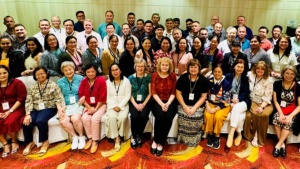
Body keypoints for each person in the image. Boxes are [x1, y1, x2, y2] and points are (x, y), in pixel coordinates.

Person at [23, 66, 65, 156]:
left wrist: (60, 109)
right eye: (37, 74)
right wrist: (27, 114)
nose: (40, 76)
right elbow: (28, 100)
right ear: (35, 76)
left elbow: (59, 98)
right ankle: (30, 143)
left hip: (49, 107)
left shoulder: (53, 84)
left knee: (40, 121)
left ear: (46, 74)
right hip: (36, 108)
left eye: (42, 73)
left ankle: (45, 142)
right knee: (27, 122)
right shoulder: (33, 87)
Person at [176, 59, 209, 147]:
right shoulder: (183, 78)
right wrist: (184, 106)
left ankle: (194, 140)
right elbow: (178, 93)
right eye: (191, 67)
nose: (193, 69)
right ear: (188, 68)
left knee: (196, 117)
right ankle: (182, 139)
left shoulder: (204, 80)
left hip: (197, 106)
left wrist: (194, 107)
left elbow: (203, 96)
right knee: (184, 117)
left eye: (195, 67)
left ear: (199, 68)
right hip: (183, 104)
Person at [272, 65, 300, 157]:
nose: (289, 76)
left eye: (292, 74)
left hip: (292, 110)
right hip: (280, 108)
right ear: (283, 73)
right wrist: (280, 113)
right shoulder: (277, 84)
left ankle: (278, 145)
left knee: (289, 121)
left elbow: (299, 106)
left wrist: (290, 116)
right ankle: (282, 144)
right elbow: (275, 101)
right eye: (287, 73)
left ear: (295, 75)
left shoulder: (298, 86)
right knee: (276, 118)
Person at [244, 61, 274, 147]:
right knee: (256, 114)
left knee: (263, 115)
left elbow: (268, 97)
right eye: (258, 68)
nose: (260, 70)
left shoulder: (269, 80)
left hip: (265, 102)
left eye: (262, 69)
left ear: (266, 71)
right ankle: (254, 137)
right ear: (255, 69)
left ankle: (259, 137)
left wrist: (262, 106)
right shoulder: (250, 75)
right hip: (252, 100)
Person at [151, 57, 176, 156]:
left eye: (167, 65)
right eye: (163, 65)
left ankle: (160, 142)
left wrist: (168, 104)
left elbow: (173, 92)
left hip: (170, 100)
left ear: (169, 66)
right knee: (160, 116)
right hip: (157, 101)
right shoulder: (155, 75)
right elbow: (153, 92)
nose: (165, 67)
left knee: (169, 117)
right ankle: (155, 140)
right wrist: (162, 104)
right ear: (159, 65)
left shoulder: (173, 76)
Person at [78, 64, 107, 153]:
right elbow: (81, 95)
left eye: (92, 71)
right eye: (88, 72)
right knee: (84, 118)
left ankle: (95, 141)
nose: (90, 74)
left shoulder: (101, 80)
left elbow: (103, 97)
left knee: (94, 119)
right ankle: (90, 138)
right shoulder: (84, 81)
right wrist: (89, 107)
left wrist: (95, 109)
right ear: (85, 73)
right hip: (88, 105)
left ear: (96, 72)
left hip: (100, 104)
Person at [57, 61, 85, 150]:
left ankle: (81, 137)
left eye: (70, 69)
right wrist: (59, 108)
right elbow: (57, 96)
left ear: (74, 69)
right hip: (66, 105)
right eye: (66, 70)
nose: (68, 72)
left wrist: (84, 97)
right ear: (63, 71)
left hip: (78, 103)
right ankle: (75, 137)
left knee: (75, 119)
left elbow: (87, 91)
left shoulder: (81, 78)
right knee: (63, 121)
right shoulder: (60, 81)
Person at [0, 65, 27, 158]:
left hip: (16, 107)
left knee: (9, 121)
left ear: (8, 73)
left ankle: (14, 141)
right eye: (0, 73)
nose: (2, 75)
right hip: (1, 109)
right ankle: (5, 144)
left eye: (4, 73)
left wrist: (9, 111)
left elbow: (22, 98)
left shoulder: (17, 82)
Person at [203, 66, 231, 149]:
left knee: (218, 116)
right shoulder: (209, 81)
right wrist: (207, 105)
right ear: (213, 72)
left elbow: (227, 100)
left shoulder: (226, 83)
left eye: (219, 72)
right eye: (215, 71)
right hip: (210, 103)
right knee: (208, 115)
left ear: (222, 73)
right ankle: (210, 134)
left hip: (223, 105)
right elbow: (204, 95)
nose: (217, 73)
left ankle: (217, 136)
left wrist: (215, 109)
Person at [225, 59, 251, 148]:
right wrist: (230, 100)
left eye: (242, 67)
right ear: (234, 67)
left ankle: (231, 134)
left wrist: (238, 100)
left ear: (244, 68)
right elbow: (225, 89)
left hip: (243, 101)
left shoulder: (245, 78)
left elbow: (246, 92)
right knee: (239, 116)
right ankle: (239, 134)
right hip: (230, 100)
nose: (239, 69)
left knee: (236, 108)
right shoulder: (228, 76)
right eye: (238, 66)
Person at [105, 63, 131, 151]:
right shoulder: (108, 82)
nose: (115, 72)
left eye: (117, 69)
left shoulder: (126, 81)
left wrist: (119, 106)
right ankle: (117, 139)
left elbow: (128, 95)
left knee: (122, 118)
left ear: (120, 70)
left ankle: (120, 134)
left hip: (123, 105)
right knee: (111, 118)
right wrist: (114, 106)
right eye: (113, 70)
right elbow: (106, 96)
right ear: (110, 72)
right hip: (111, 105)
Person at [128, 58, 152, 149]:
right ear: (135, 67)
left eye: (142, 66)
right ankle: (133, 136)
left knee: (143, 116)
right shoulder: (131, 77)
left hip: (145, 102)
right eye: (138, 66)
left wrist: (143, 104)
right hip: (134, 102)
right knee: (134, 116)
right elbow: (129, 94)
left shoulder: (148, 77)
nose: (140, 68)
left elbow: (150, 93)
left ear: (144, 67)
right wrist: (136, 105)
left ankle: (138, 135)